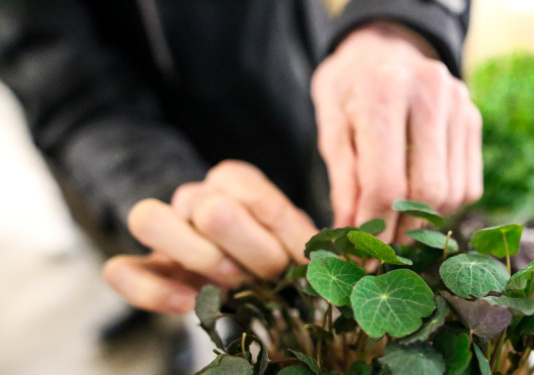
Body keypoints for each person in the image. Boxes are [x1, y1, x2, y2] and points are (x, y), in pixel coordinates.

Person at [0, 0, 482, 314]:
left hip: (305, 90)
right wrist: (165, 192)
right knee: (260, 326)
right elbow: (68, 92)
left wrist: (400, 24)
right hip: (173, 167)